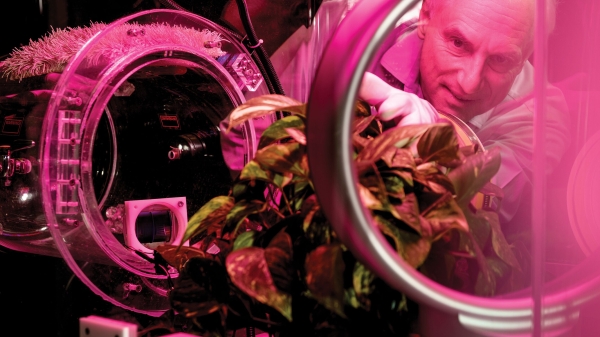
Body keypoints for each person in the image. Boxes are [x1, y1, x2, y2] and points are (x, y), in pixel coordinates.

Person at [358, 0, 570, 229]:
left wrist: (433, 141)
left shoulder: (542, 117)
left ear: (526, 57)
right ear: (426, 15)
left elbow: (478, 206)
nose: (469, 84)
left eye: (500, 60)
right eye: (458, 43)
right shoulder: (358, 50)